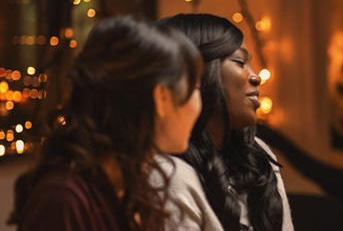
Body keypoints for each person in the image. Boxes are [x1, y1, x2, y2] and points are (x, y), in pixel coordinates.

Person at [9, 15, 203, 230]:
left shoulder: (135, 187)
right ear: (162, 98)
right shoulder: (64, 200)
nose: (199, 102)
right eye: (195, 88)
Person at [158, 13, 293, 231]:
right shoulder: (168, 174)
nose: (256, 76)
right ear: (196, 74)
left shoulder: (258, 156)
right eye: (240, 62)